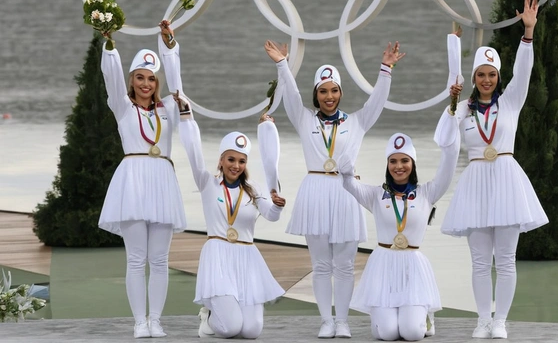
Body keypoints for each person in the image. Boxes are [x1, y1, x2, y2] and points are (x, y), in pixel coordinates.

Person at [264, 39, 405, 338]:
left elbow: (377, 101)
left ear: (341, 92)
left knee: (344, 264)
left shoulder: (357, 122)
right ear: (316, 94)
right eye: (323, 91)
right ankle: (326, 320)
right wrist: (282, 65)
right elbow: (290, 95)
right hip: (315, 191)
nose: (329, 96)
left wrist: (386, 69)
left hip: (346, 192)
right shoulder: (304, 120)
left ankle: (342, 321)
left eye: (334, 90)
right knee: (320, 264)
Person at [440, 0, 549, 339]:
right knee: (478, 262)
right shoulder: (463, 109)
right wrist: (451, 102)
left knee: (505, 259)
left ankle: (500, 320)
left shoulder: (511, 101)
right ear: (473, 77)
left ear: (498, 77)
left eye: (491, 75)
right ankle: (482, 320)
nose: (486, 80)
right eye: (481, 75)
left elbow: (524, 71)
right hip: (474, 182)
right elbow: (442, 139)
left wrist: (527, 33)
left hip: (505, 179)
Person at [340, 73, 462, 341]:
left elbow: (449, 162)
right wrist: (345, 170)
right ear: (387, 165)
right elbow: (348, 184)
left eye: (404, 161)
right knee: (386, 334)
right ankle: (385, 315)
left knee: (411, 333)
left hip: (413, 269)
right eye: (393, 161)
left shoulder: (428, 192)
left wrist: (452, 114)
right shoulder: (376, 195)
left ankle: (424, 318)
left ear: (413, 164)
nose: (398, 166)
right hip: (383, 268)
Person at [98, 23, 186, 338]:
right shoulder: (122, 107)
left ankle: (156, 320)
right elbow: (110, 78)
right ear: (131, 81)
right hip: (133, 182)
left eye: (151, 78)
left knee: (160, 259)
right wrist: (109, 44)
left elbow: (178, 84)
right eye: (139, 77)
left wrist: (170, 44)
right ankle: (139, 321)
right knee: (136, 258)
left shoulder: (168, 110)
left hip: (162, 180)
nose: (146, 84)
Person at [176, 96, 286, 339]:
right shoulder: (207, 183)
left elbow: (271, 215)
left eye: (241, 161)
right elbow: (193, 151)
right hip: (218, 257)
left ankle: (225, 313)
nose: (236, 165)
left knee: (252, 331)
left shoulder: (254, 189)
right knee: (231, 328)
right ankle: (209, 317)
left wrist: (278, 206)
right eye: (231, 159)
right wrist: (186, 117)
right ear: (221, 160)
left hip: (247, 259)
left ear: (246, 163)